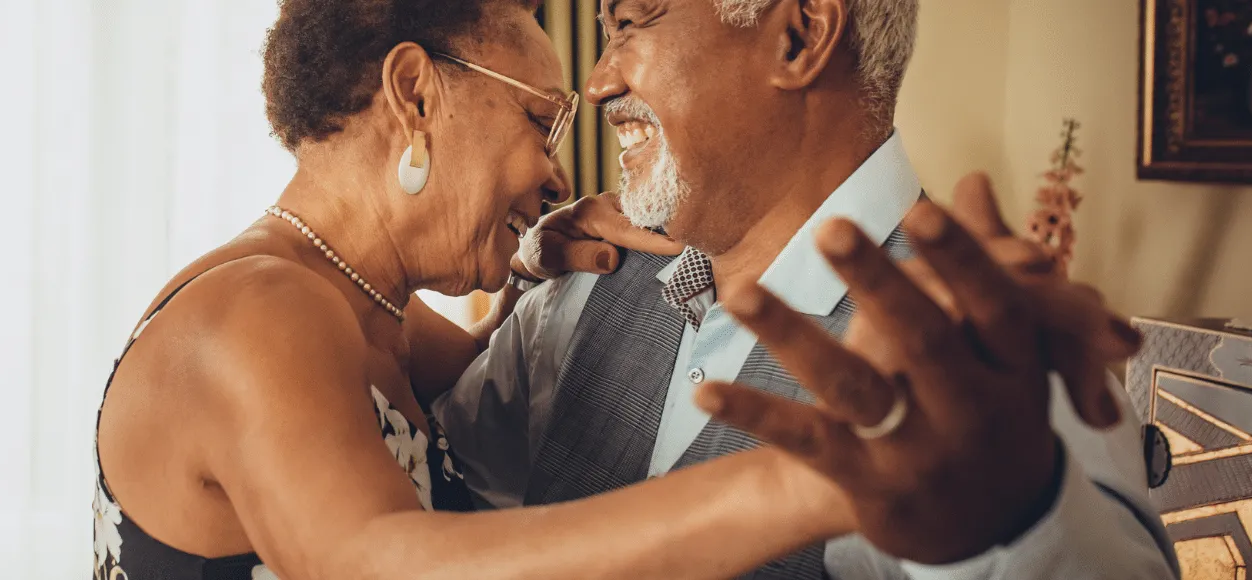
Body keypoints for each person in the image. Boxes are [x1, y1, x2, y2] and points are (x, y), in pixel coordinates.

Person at [430, 0, 1181, 578]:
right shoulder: (577, 292)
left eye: (630, 22)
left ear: (800, 35)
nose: (597, 82)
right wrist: (513, 285)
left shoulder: (994, 367)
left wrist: (1022, 521)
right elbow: (440, 501)